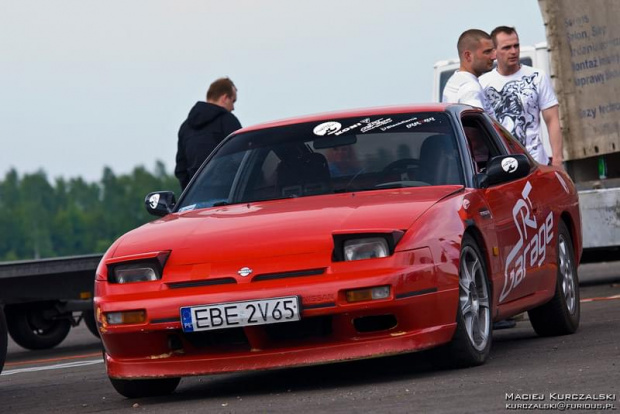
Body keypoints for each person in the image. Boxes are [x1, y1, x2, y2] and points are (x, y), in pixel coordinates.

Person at [480, 26, 563, 167]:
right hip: (502, 166)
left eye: (516, 46)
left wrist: (557, 160)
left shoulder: (537, 76)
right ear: (494, 52)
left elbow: (552, 119)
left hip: (536, 163)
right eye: (506, 48)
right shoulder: (483, 84)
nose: (513, 51)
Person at [175, 77, 242, 190]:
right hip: (225, 197)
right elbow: (241, 158)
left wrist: (190, 195)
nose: (233, 107)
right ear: (225, 98)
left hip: (195, 200)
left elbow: (181, 169)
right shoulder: (228, 121)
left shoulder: (185, 127)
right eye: (233, 101)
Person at [442, 29, 496, 118]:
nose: (494, 56)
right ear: (468, 56)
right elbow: (474, 127)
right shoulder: (470, 89)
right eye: (487, 52)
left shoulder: (454, 82)